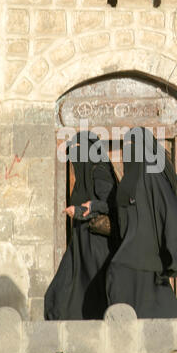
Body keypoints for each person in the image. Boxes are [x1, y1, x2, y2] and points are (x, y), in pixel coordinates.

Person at [106, 127, 177, 319]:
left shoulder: (152, 176)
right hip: (132, 253)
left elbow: (171, 210)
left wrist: (174, 250)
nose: (128, 151)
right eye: (127, 146)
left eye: (133, 146)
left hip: (146, 256)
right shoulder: (133, 178)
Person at [44, 131, 119, 320]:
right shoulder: (82, 178)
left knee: (95, 294)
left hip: (97, 246)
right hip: (80, 245)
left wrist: (82, 210)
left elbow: (112, 205)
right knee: (60, 292)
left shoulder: (99, 171)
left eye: (79, 150)